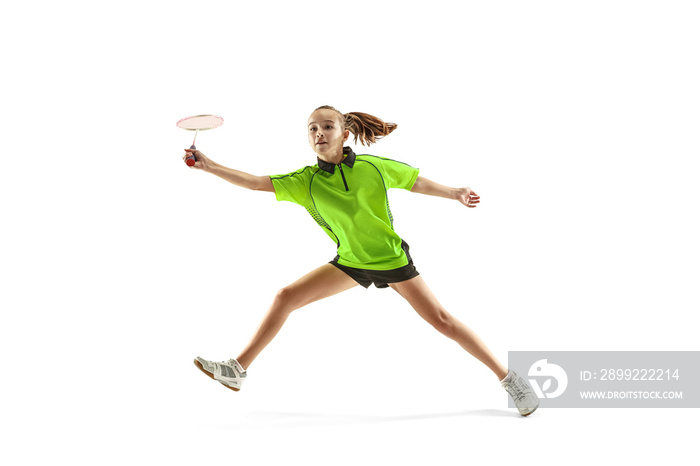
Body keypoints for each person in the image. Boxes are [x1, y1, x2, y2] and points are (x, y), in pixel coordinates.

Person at [184, 105, 539, 416]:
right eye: (312, 128)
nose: (319, 132)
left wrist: (455, 192)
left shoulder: (372, 167)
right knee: (285, 297)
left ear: (344, 133)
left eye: (327, 126)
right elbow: (256, 183)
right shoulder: (304, 181)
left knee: (443, 321)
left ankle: (510, 379)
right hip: (350, 261)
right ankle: (237, 369)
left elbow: (413, 182)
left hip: (390, 259)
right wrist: (209, 166)